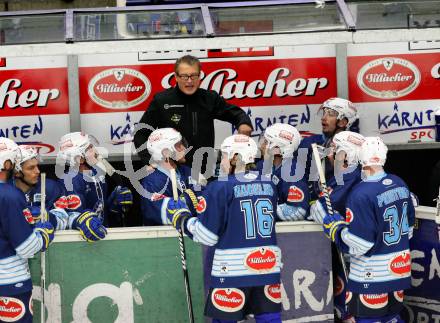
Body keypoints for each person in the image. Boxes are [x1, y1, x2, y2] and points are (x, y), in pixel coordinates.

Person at [166, 134, 288, 323]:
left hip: (231, 272)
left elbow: (207, 236)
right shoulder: (269, 184)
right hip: (268, 268)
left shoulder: (219, 187)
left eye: (223, 156)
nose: (221, 161)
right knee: (270, 320)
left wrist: (182, 219)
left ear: (234, 158)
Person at [322, 137, 415, 323]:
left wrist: (336, 229)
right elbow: (409, 230)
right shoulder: (399, 183)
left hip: (371, 279)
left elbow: (359, 244)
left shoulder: (361, 193)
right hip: (399, 273)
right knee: (392, 318)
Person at [133, 54, 253, 174]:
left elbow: (236, 114)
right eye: (185, 76)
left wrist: (244, 123)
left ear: (199, 76)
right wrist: (151, 162)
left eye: (194, 76)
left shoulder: (210, 98)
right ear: (176, 77)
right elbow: (140, 133)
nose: (190, 81)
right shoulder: (162, 101)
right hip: (175, 174)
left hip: (205, 173)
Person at [308, 131, 365, 323]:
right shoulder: (356, 174)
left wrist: (316, 206)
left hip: (354, 254)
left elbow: (321, 209)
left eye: (335, 150)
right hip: (368, 254)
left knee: (354, 311)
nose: (330, 155)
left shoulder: (348, 176)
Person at [0, 137, 55, 323]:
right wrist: (44, 233)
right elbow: (26, 247)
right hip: (9, 283)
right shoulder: (10, 195)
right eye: (15, 160)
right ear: (7, 163)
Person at [13, 145, 107, 242]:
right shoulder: (5, 192)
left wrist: (48, 217)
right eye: (31, 168)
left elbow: (64, 218)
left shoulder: (50, 187)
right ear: (17, 172)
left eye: (37, 166)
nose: (37, 171)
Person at [56, 132, 133, 228]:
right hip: (85, 239)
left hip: (102, 234)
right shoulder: (70, 181)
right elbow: (78, 220)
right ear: (79, 158)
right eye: (90, 148)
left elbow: (101, 211)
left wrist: (114, 203)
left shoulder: (97, 175)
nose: (95, 152)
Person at [140, 127, 203, 225]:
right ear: (166, 152)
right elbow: (162, 215)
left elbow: (207, 197)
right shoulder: (152, 183)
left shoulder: (188, 172)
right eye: (178, 145)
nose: (184, 148)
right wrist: (188, 201)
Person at [299, 97, 359, 187]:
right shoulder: (310, 143)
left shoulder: (355, 149)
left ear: (342, 122)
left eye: (330, 114)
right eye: (324, 113)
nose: (323, 118)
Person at [257, 123, 310, 221]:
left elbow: (298, 210)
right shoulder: (263, 166)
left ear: (278, 148)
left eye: (266, 142)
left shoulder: (292, 172)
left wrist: (259, 214)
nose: (262, 145)